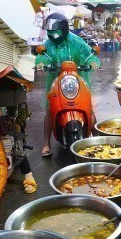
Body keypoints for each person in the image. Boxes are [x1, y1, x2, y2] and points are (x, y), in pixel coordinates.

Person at [35, 12, 100, 157]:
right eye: (50, 32)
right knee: (49, 111)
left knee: (89, 110)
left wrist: (92, 62)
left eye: (55, 32)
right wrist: (41, 63)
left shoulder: (77, 42)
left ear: (64, 29)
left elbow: (90, 54)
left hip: (78, 79)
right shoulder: (49, 44)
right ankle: (47, 143)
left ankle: (97, 140)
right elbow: (42, 56)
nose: (53, 35)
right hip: (55, 81)